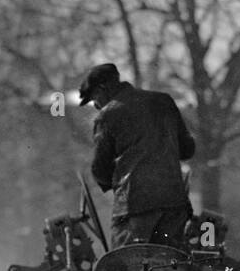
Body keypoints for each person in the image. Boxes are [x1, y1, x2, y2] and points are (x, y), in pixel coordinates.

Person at [79, 62, 196, 248]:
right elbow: (188, 149)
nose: (96, 105)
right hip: (174, 205)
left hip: (133, 209)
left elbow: (100, 171)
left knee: (126, 269)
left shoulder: (107, 115)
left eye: (95, 98)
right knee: (170, 267)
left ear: (104, 88)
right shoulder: (164, 101)